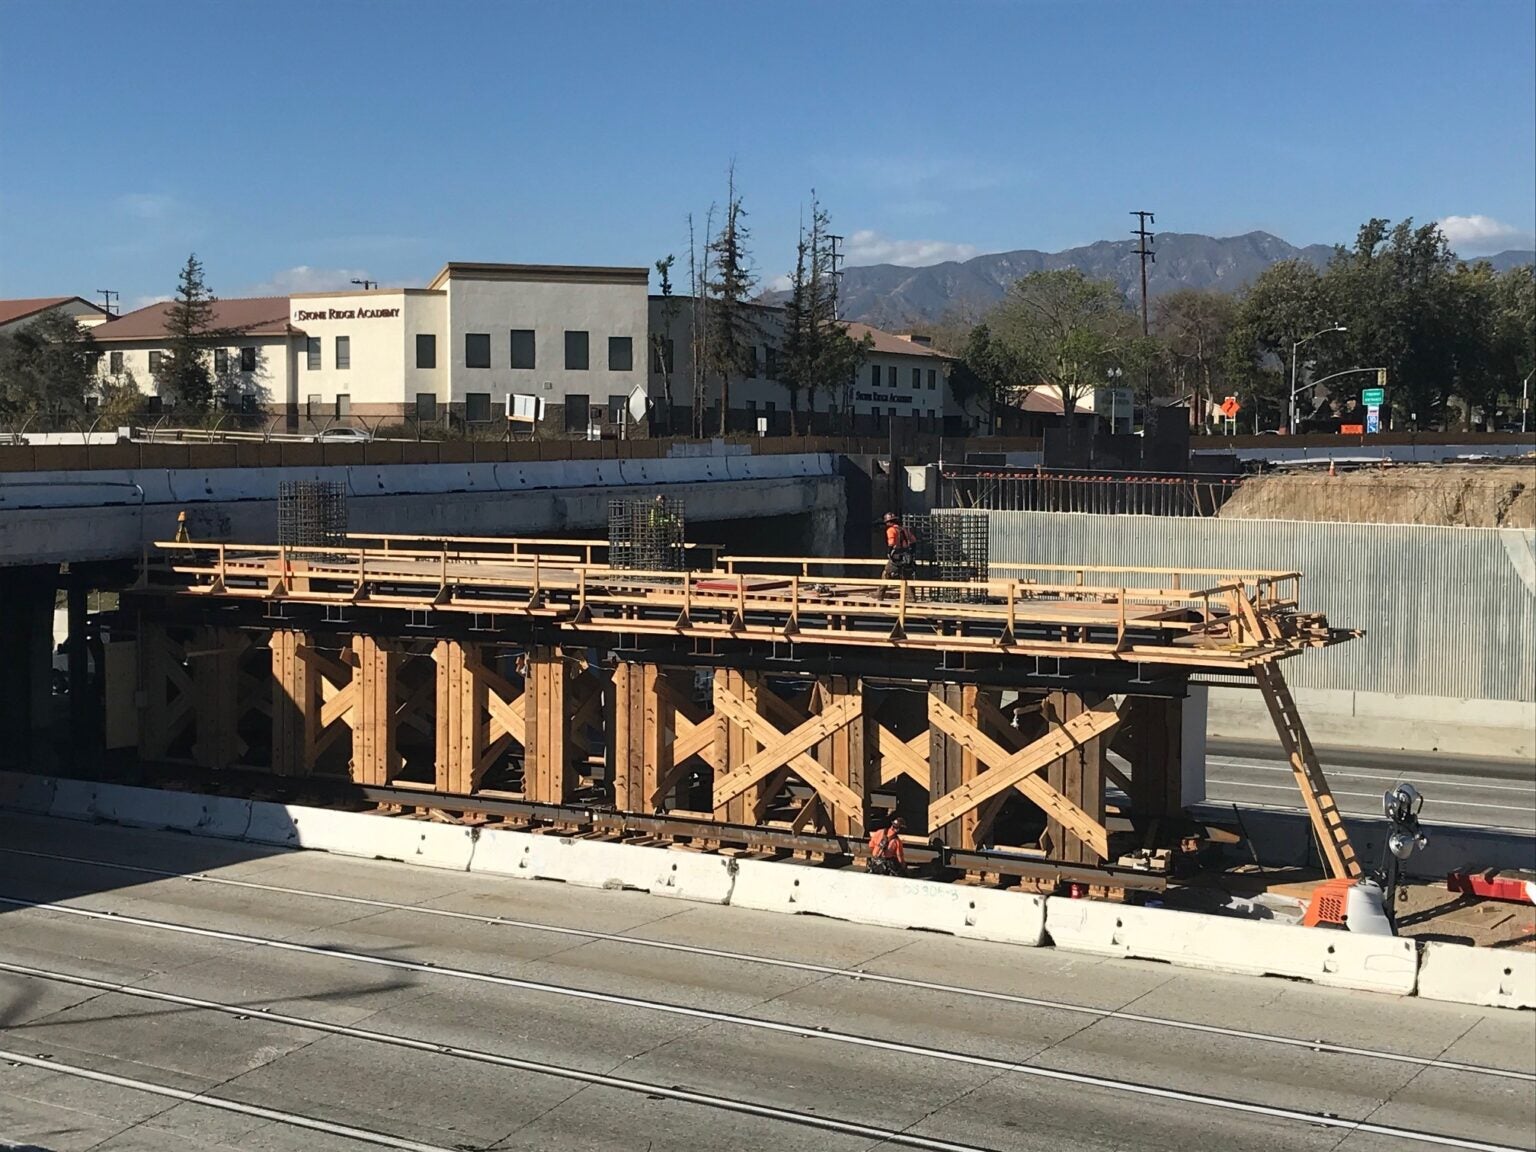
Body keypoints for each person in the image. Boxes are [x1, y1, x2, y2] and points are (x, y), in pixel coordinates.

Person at [880, 512, 916, 598]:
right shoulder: (904, 529)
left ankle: (880, 593)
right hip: (906, 556)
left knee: (886, 573)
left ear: (889, 522)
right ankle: (912, 597)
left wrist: (889, 552)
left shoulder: (891, 530)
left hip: (896, 556)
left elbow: (891, 542)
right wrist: (911, 553)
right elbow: (914, 540)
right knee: (905, 576)